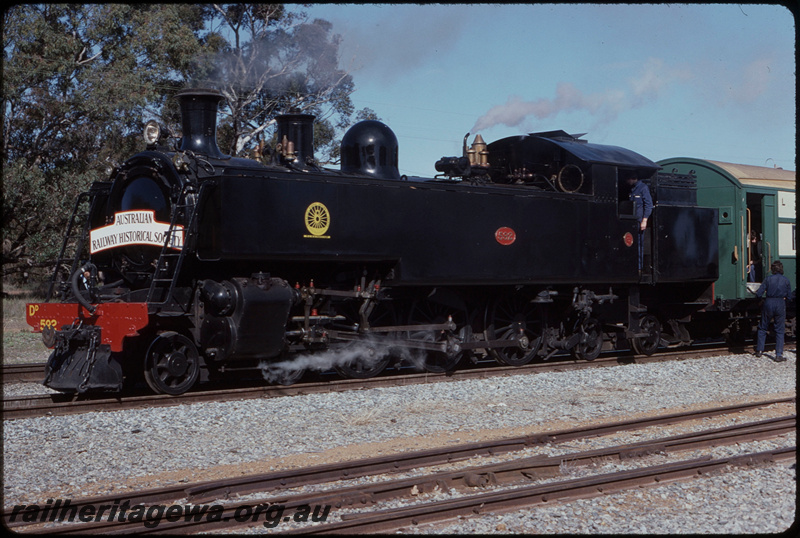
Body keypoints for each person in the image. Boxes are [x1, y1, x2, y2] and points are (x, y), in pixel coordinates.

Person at [753, 260, 792, 362]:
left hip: (768, 302)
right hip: (780, 303)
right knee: (779, 329)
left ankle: (759, 350)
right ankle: (778, 354)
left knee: (762, 327)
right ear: (781, 269)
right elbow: (789, 297)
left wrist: (762, 301)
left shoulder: (768, 279)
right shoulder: (786, 280)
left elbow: (759, 294)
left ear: (772, 269)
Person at [627, 173, 653, 272]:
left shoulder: (643, 188)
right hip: (633, 220)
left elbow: (648, 205)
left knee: (639, 244)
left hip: (639, 220)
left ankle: (639, 267)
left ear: (633, 178)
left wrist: (644, 220)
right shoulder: (632, 189)